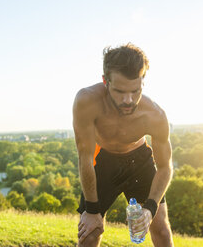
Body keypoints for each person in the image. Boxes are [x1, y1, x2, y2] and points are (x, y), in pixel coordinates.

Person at [72, 43, 174, 247]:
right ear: (105, 81)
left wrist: (150, 209)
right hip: (104, 161)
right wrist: (92, 210)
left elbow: (165, 167)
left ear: (142, 82)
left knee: (161, 229)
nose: (128, 100)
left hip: (139, 160)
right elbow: (85, 157)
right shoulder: (87, 101)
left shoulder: (155, 115)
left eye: (135, 91)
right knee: (90, 233)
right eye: (119, 91)